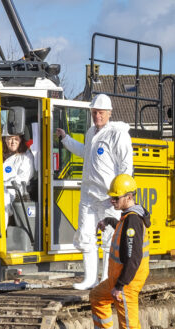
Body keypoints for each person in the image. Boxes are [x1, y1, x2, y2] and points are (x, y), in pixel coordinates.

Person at [56, 94, 133, 290]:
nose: (97, 116)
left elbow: (126, 164)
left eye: (100, 112)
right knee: (85, 235)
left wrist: (120, 193)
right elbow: (85, 151)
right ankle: (89, 279)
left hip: (109, 197)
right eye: (94, 112)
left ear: (109, 113)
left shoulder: (117, 134)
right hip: (89, 195)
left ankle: (106, 279)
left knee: (108, 238)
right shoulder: (91, 132)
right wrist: (66, 139)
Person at [89, 174, 153, 329]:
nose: (112, 202)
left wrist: (121, 285)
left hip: (125, 284)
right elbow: (126, 236)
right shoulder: (128, 218)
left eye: (116, 198)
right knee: (97, 296)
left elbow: (133, 257)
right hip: (117, 281)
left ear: (128, 197)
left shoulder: (133, 220)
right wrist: (109, 222)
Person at [1, 132, 35, 223]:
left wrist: (0, 185)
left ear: (21, 140)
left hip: (14, 193)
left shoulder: (26, 157)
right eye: (9, 139)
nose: (13, 142)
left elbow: (21, 180)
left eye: (16, 139)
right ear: (4, 139)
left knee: (2, 200)